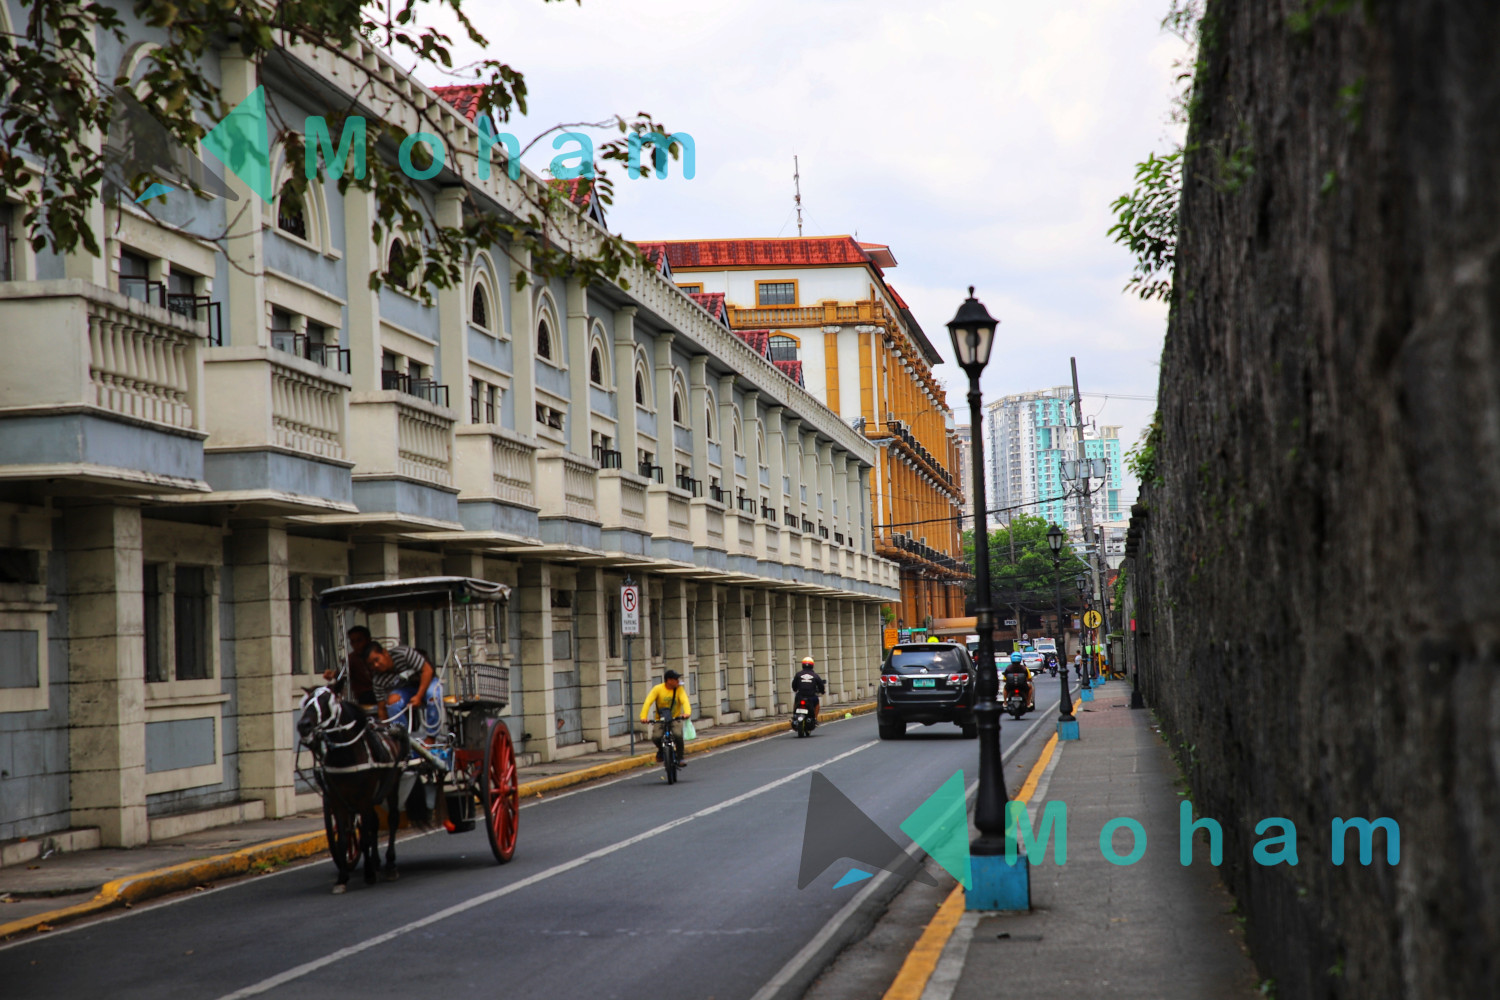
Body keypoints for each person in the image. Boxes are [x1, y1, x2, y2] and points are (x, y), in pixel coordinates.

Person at [368, 643, 444, 743]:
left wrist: (418, 696)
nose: (376, 665)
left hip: (427, 681)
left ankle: (431, 738)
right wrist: (385, 732)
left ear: (384, 652)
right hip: (407, 689)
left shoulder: (403, 653)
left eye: (376, 659)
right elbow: (382, 708)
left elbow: (427, 670)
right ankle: (402, 740)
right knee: (392, 701)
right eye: (371, 664)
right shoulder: (378, 679)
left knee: (432, 696)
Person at [639, 669, 692, 767]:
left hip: (675, 718)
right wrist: (643, 717)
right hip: (661, 719)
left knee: (677, 735)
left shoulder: (679, 689)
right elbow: (648, 702)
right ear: (669, 680)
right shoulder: (657, 689)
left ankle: (680, 757)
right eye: (676, 679)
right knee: (656, 737)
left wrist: (687, 713)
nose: (678, 681)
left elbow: (685, 701)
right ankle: (661, 750)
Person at [324, 625, 377, 705]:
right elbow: (341, 673)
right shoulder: (351, 659)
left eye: (359, 640)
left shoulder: (377, 654)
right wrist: (332, 674)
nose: (356, 645)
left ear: (368, 640)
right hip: (365, 696)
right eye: (353, 642)